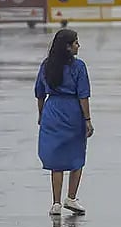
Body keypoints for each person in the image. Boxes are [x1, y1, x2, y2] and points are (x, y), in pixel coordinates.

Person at [35, 29, 93, 216]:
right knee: (77, 154)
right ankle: (72, 197)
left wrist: (41, 114)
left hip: (52, 110)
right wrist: (87, 119)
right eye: (75, 42)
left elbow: (39, 93)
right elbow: (83, 95)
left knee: (56, 159)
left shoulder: (47, 65)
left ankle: (56, 203)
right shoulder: (79, 67)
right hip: (72, 111)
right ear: (67, 47)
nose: (78, 46)